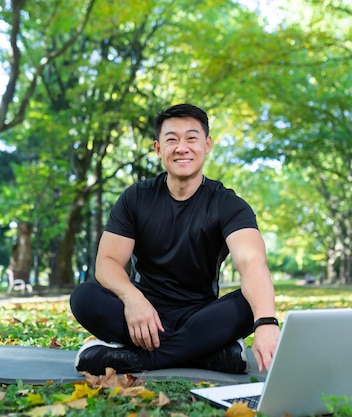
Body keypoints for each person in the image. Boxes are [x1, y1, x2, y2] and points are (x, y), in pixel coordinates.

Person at [69, 103, 280, 376]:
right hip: (141, 317)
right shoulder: (135, 198)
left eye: (192, 138)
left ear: (207, 145)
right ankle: (205, 355)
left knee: (247, 304)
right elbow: (107, 262)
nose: (182, 147)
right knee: (84, 297)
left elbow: (252, 262)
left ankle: (137, 360)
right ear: (158, 149)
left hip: (200, 317)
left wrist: (265, 321)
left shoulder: (229, 204)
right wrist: (133, 299)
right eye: (172, 140)